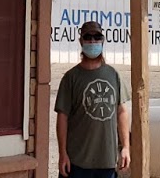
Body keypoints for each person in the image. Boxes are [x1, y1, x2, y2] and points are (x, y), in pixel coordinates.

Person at [56, 21, 130, 178]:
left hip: (107, 162)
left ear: (102, 40)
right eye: (88, 37)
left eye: (97, 37)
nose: (92, 41)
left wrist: (125, 147)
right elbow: (62, 117)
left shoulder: (113, 75)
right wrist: (63, 153)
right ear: (81, 41)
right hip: (77, 162)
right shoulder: (71, 78)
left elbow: (121, 111)